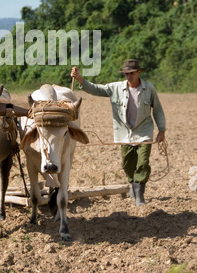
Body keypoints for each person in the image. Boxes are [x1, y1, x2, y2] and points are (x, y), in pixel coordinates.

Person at [71, 59, 166, 207]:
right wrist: (80, 79)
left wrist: (162, 130)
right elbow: (95, 89)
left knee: (142, 162)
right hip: (125, 133)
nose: (128, 76)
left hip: (144, 132)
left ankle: (139, 194)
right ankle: (133, 185)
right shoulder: (115, 88)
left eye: (131, 73)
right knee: (127, 164)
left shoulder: (149, 89)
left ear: (139, 72)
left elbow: (158, 110)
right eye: (126, 74)